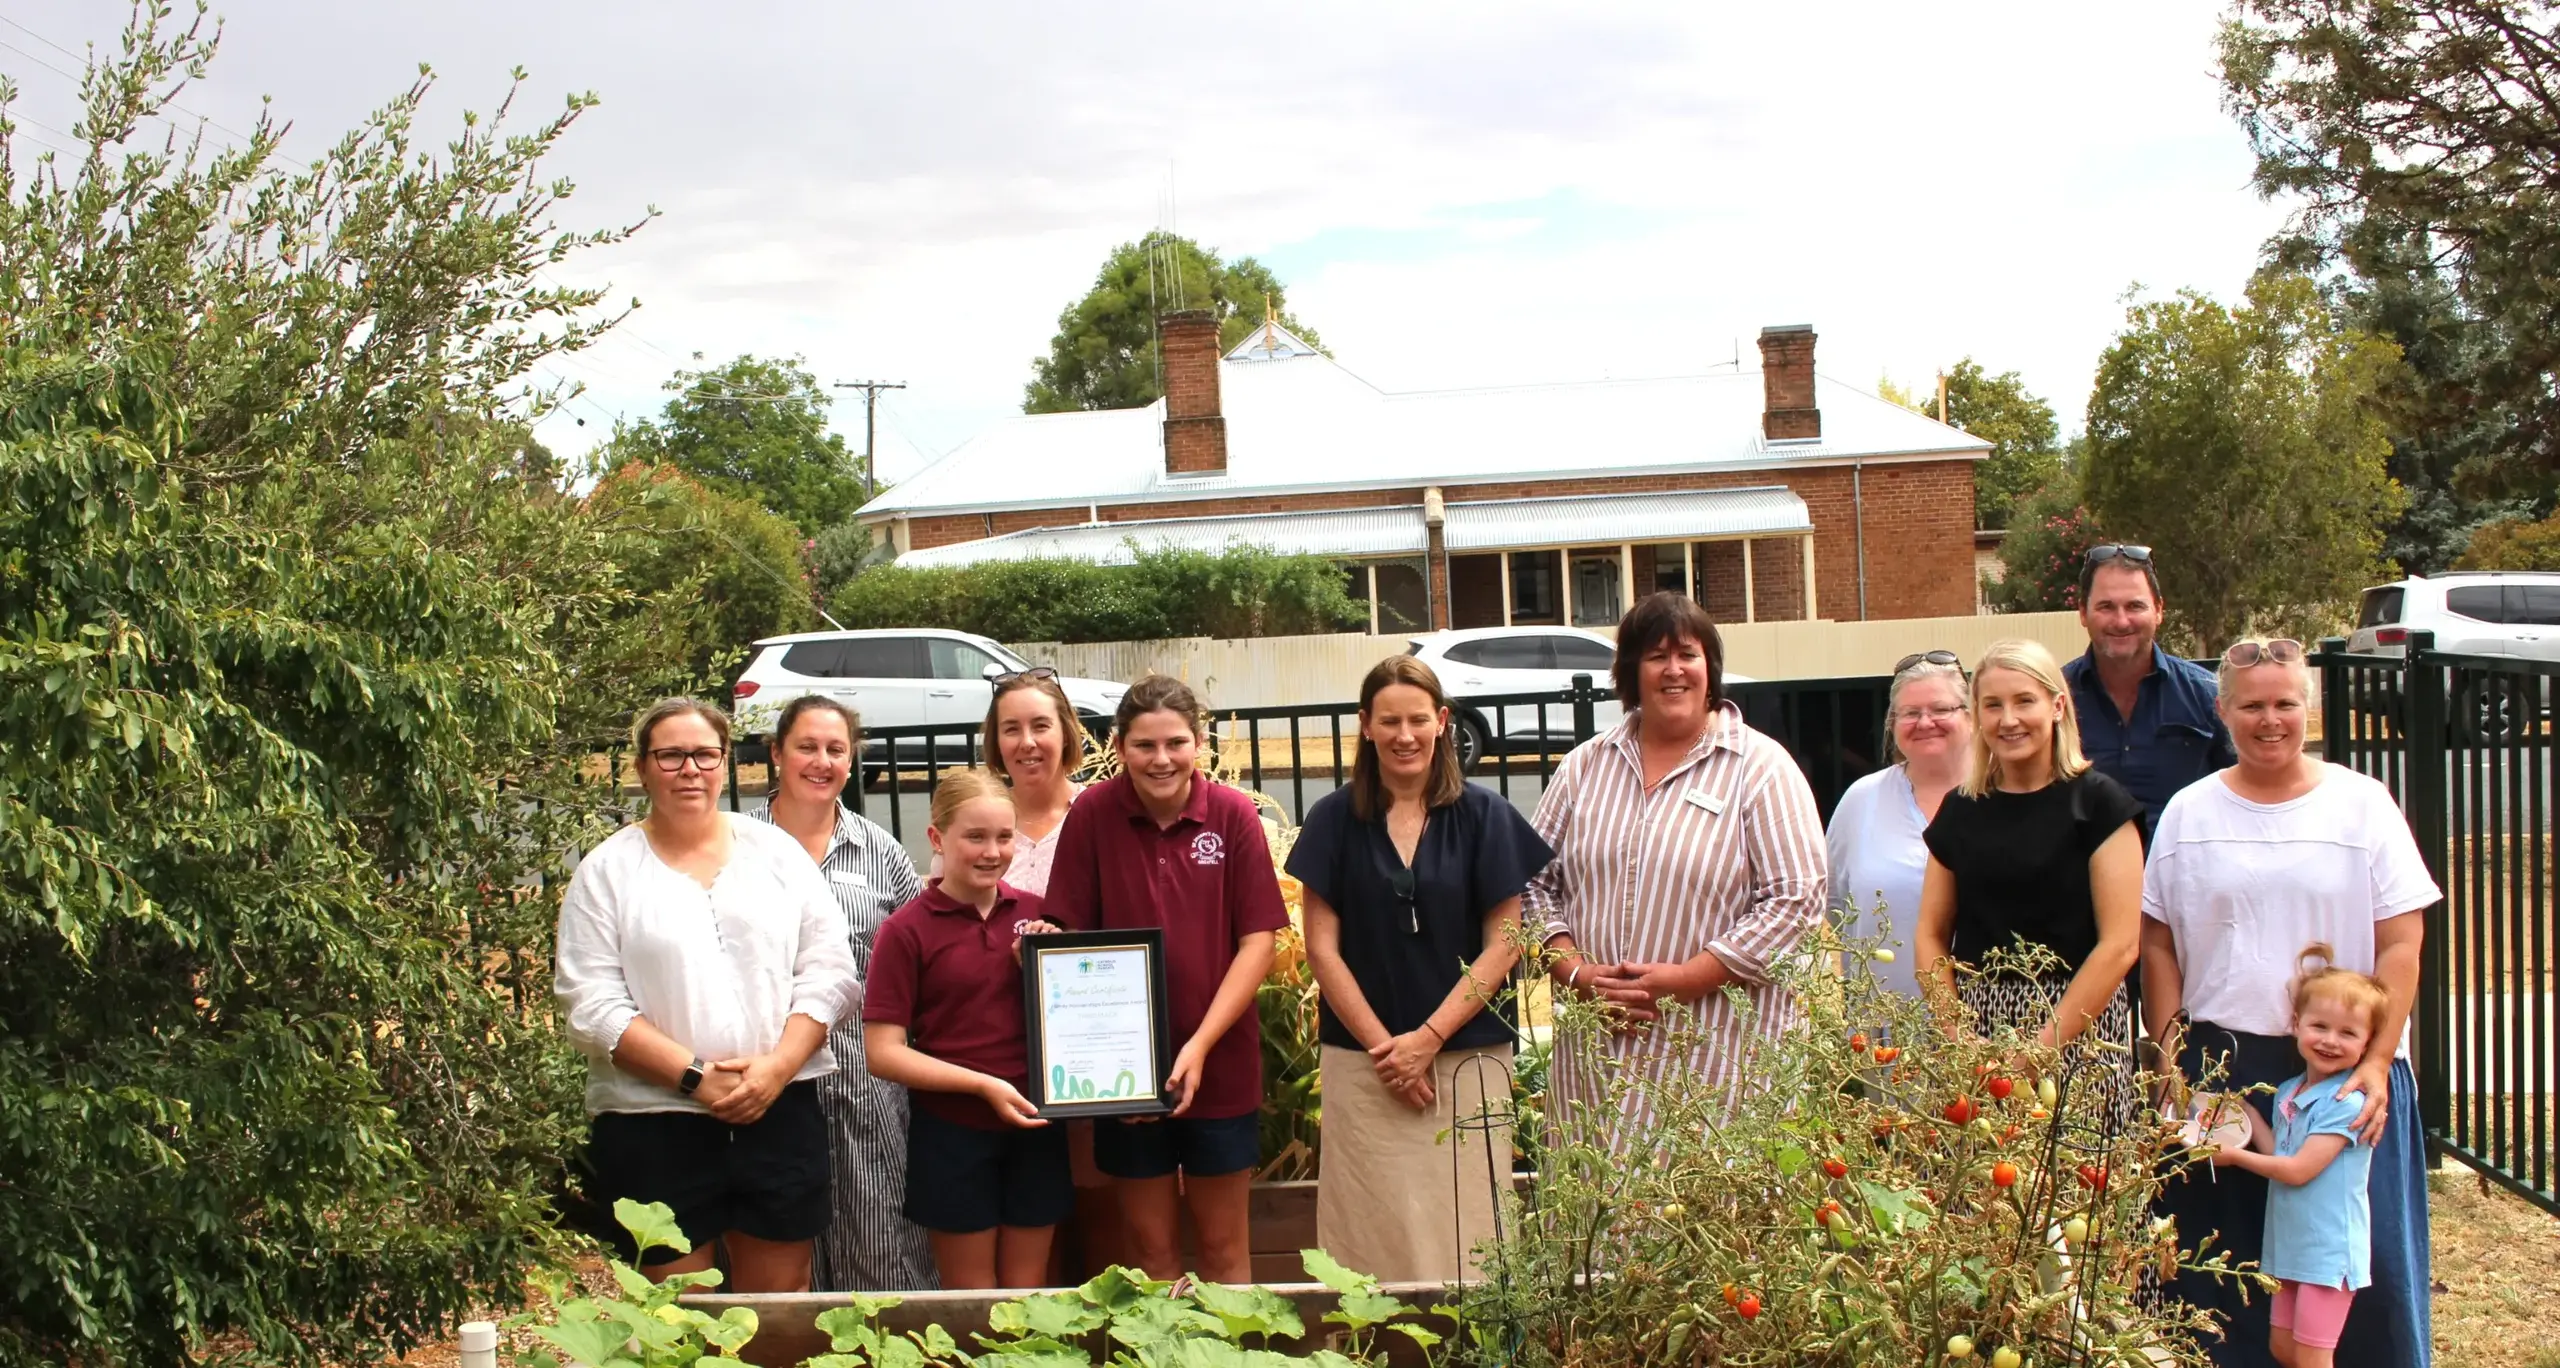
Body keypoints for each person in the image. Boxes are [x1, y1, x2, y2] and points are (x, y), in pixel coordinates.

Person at [2140, 637, 2436, 1368]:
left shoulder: (2362, 804)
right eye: (2251, 705)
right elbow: (2157, 944)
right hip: (2223, 1069)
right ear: (2222, 711)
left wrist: (2374, 1061)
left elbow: (2402, 941)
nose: (2269, 719)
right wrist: (2172, 1060)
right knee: (2223, 1280)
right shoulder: (2188, 811)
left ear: (2311, 708)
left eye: (2285, 703)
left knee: (2353, 1275)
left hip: (2344, 1075)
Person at [555, 698, 859, 1292]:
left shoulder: (777, 854)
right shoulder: (607, 871)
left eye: (704, 754)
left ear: (725, 765)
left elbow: (829, 971)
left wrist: (775, 1070)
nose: (689, 769)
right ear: (642, 768)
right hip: (653, 1126)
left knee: (780, 1311)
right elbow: (591, 1004)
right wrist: (696, 1078)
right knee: (676, 1318)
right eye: (671, 756)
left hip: (778, 1109)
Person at [1525, 592, 1828, 1149]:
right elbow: (1534, 885)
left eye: (1688, 654)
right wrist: (1577, 973)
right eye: (1655, 656)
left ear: (1709, 668)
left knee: (1705, 1224)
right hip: (1598, 1056)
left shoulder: (1760, 768)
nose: (1674, 670)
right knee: (1595, 1214)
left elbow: (1796, 902)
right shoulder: (1583, 767)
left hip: (1718, 1057)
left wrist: (1688, 980)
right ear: (1629, 672)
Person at [1289, 655, 1554, 1282]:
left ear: (1441, 723)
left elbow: (1507, 942)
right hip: (1363, 1064)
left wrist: (1428, 1040)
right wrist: (1389, 1050)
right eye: (1389, 721)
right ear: (1365, 726)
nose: (1404, 735)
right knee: (1366, 1229)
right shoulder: (1333, 820)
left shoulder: (1485, 817)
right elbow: (1321, 948)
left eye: (1417, 720)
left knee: (1469, 1227)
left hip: (1466, 1060)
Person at [1042, 675, 1288, 1283]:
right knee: (1148, 1250)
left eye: (1175, 742)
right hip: (1125, 1072)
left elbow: (1259, 941)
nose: (1161, 759)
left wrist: (1199, 1046)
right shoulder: (1093, 815)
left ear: (1199, 743)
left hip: (1222, 1064)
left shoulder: (1232, 816)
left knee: (1224, 1247)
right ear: (1119, 746)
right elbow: (1068, 933)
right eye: (1144, 745)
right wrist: (1107, 1076)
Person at [745, 695, 936, 1291]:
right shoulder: (733, 846)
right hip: (765, 1076)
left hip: (864, 1077)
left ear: (852, 763)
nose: (821, 761)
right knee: (775, 1258)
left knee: (881, 1246)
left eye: (836, 749)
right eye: (806, 746)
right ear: (777, 754)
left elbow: (920, 959)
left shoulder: (881, 852)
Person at [863, 770, 1071, 1290]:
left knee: (1029, 1293)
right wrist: (980, 1084)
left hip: (1036, 1124)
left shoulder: (1037, 916)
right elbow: (883, 1053)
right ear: (937, 838)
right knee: (970, 1299)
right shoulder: (906, 929)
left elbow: (1077, 1016)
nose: (991, 851)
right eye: (974, 837)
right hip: (952, 1131)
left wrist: (1047, 967)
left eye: (1004, 837)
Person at [1915, 639, 2143, 1084]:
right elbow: (1929, 934)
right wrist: (1956, 1031)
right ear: (1977, 716)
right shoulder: (1961, 810)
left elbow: (2121, 946)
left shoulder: (2100, 805)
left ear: (2057, 706)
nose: (2009, 719)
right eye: (1992, 705)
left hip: (2079, 1026)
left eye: (2024, 701)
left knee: (2079, 1156)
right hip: (1977, 1029)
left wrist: (2042, 1047)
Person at [2208, 948, 2393, 1368]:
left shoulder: (2348, 1103)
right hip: (2291, 1248)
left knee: (2312, 1357)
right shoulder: (2290, 1091)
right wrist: (2249, 1116)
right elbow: (2281, 1152)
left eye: (2348, 1033)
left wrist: (2235, 1157)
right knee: (2284, 1350)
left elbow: (2297, 1170)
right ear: (2296, 1025)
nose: (2330, 1040)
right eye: (2319, 1026)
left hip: (2328, 1254)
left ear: (2367, 1043)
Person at [1824, 650, 1974, 997]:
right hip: (1885, 1029)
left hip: (1990, 1028)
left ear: (1971, 716)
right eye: (1910, 713)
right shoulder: (1862, 801)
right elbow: (1834, 910)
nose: (1925, 722)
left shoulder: (2002, 794)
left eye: (1940, 709)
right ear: (1892, 724)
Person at [2062, 544, 2236, 831]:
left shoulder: (2207, 696)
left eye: (2135, 606)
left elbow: (2246, 790)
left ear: (2158, 610)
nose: (2121, 621)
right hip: (2085, 874)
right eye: (2106, 606)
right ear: (2083, 612)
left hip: (2184, 872)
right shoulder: (2055, 701)